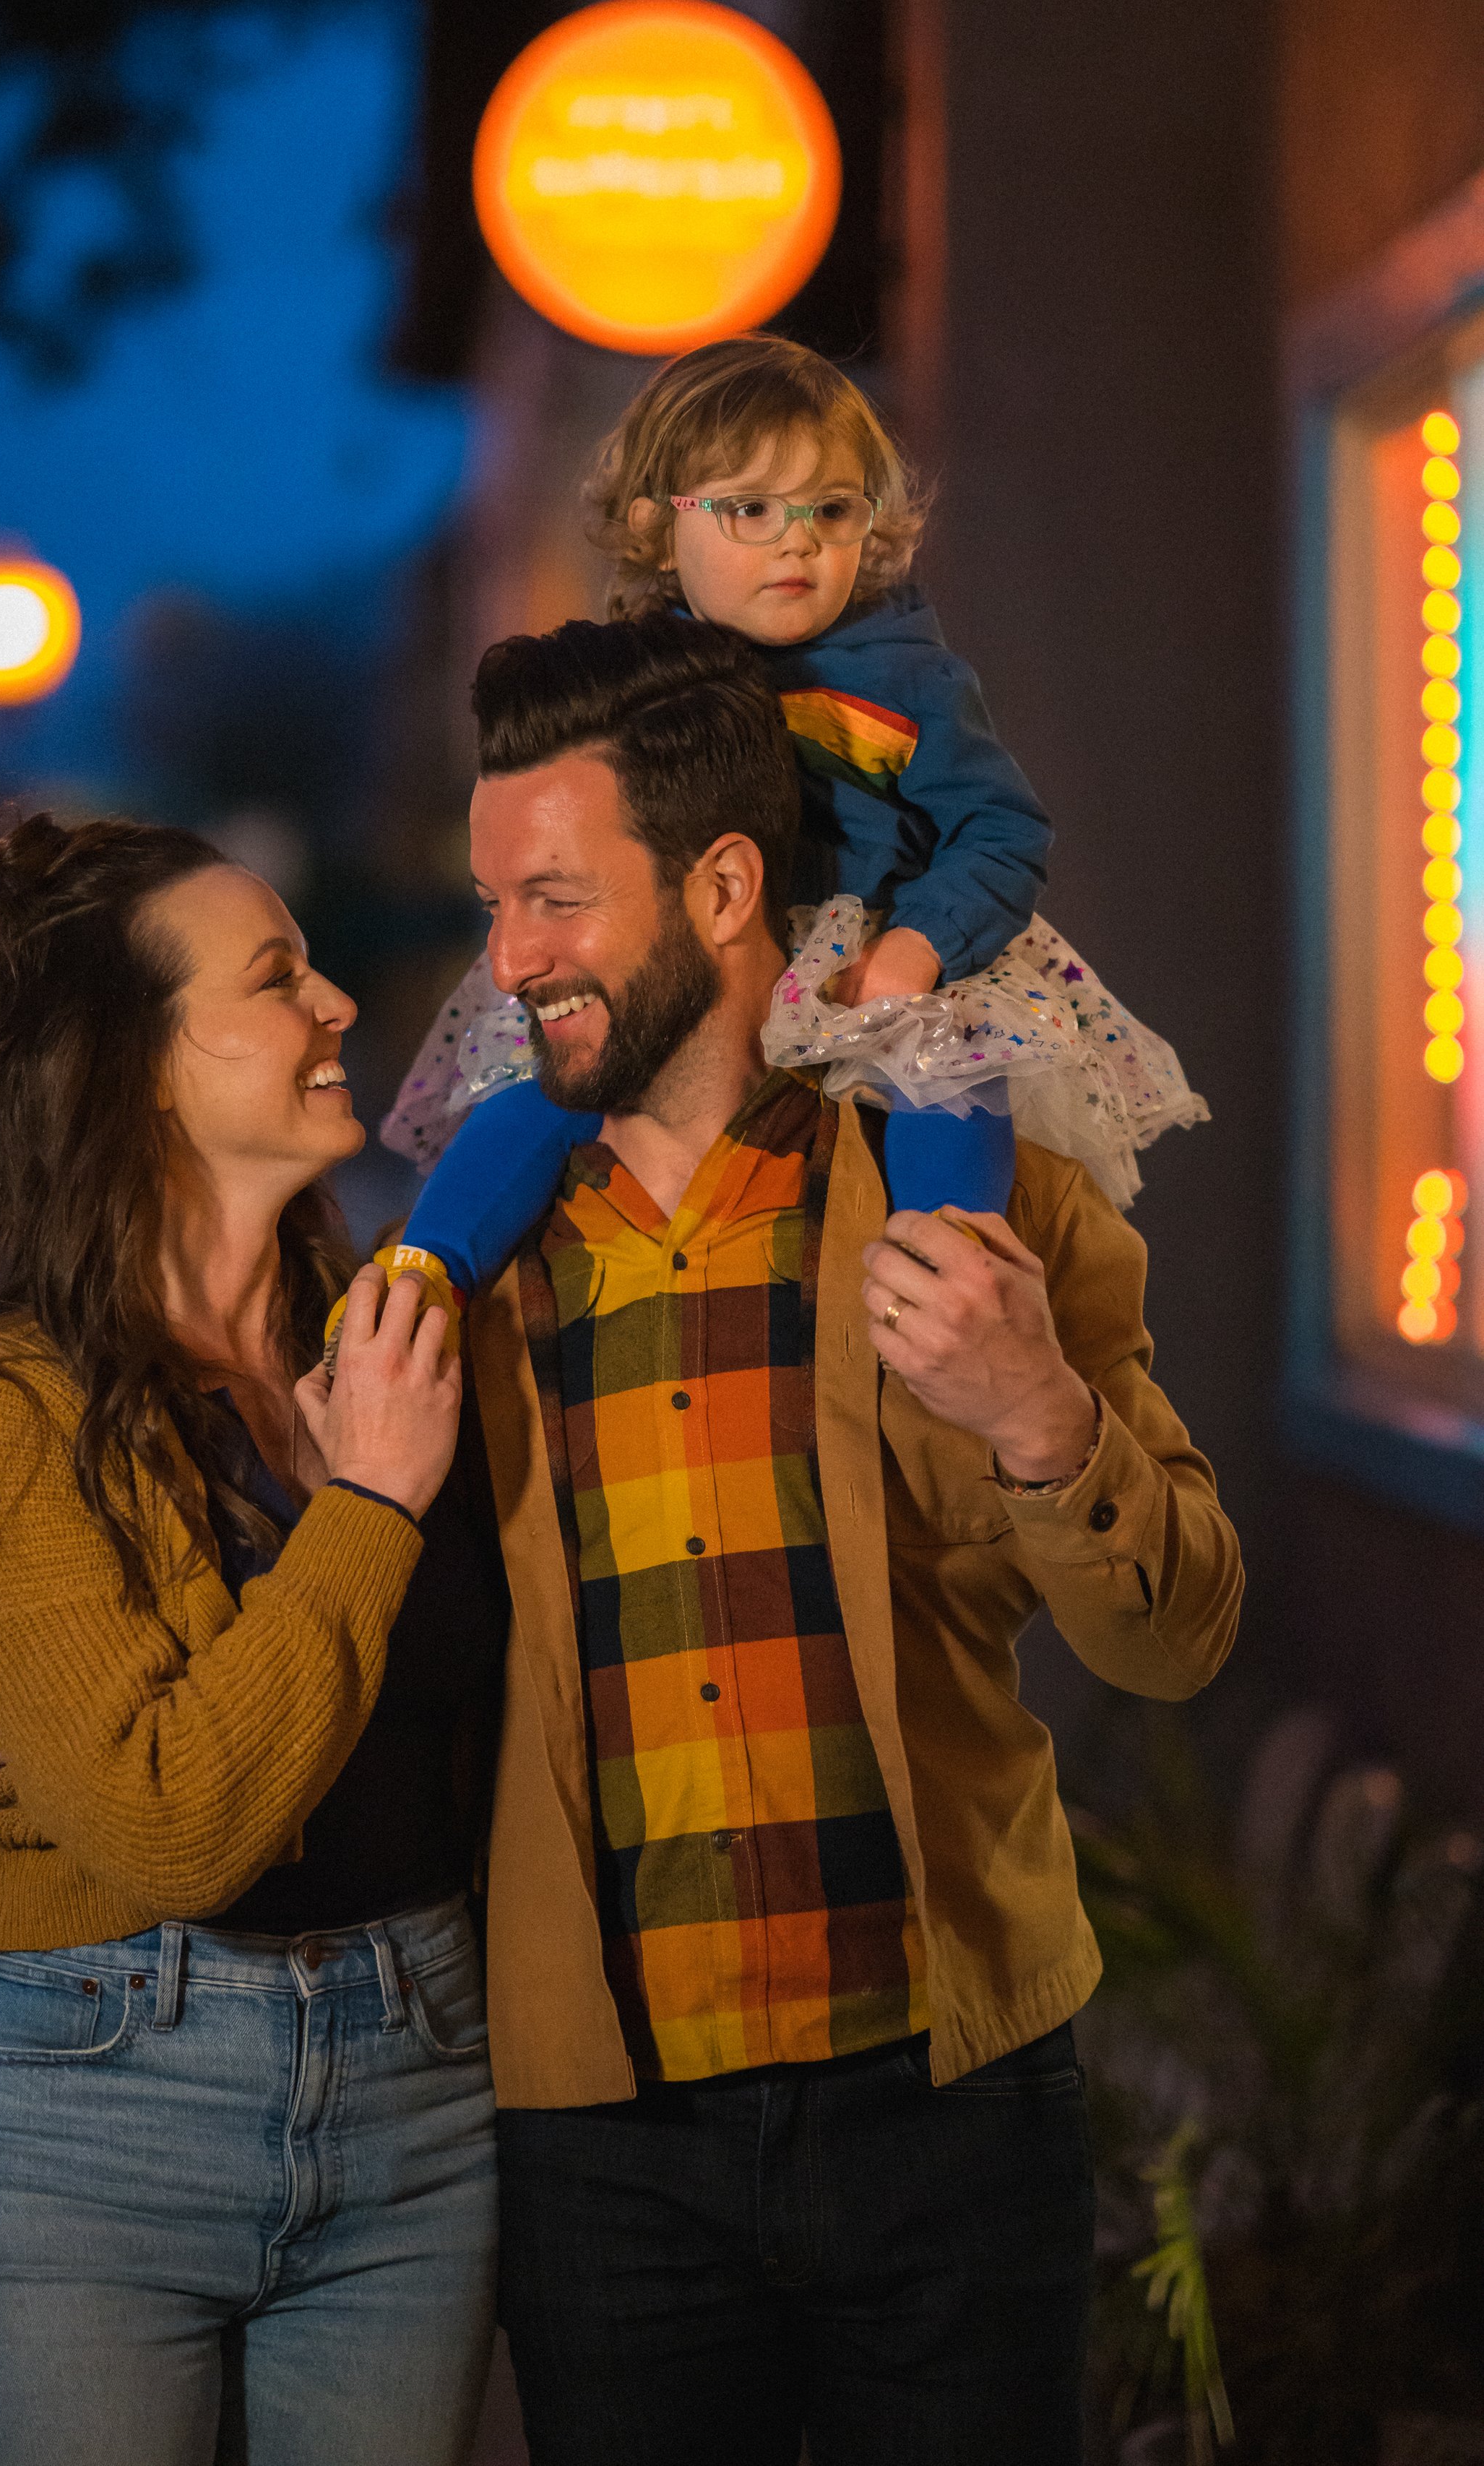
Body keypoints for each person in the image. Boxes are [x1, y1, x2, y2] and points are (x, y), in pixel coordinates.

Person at [452, 615, 1243, 2465]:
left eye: (555, 902)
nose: (511, 963)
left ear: (722, 884)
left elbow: (1176, 1635)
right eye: (496, 909)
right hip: (605, 2143)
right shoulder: (470, 1273)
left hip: (948, 2107)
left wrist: (1039, 1410)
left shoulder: (977, 1197)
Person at [0, 813, 506, 2466]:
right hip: (98, 2104)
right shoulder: (5, 1403)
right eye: (274, 978)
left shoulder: (399, 1329)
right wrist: (366, 1509)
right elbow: (172, 1821)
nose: (332, 1006)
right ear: (135, 1069)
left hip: (417, 2090)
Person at [368, 334, 1204, 1347]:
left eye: (832, 510)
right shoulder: (643, 684)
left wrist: (919, 946)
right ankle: (419, 1278)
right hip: (699, 960)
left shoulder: (906, 677)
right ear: (654, 526)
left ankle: (950, 1284)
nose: (798, 542)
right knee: (540, 1086)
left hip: (878, 945)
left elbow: (1001, 827)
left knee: (947, 1085)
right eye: (752, 510)